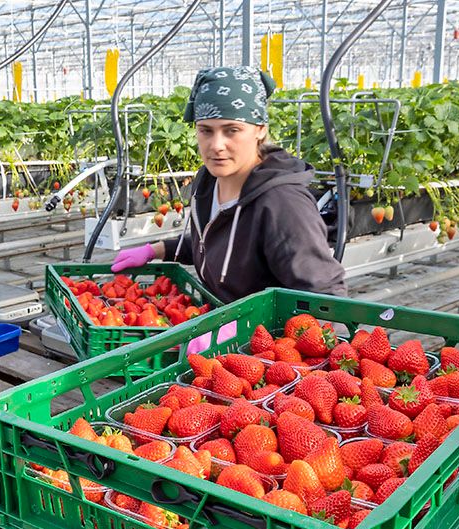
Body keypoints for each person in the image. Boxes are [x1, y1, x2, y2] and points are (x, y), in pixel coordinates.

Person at [112, 66, 346, 350]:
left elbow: (323, 298)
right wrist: (157, 250)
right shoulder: (209, 180)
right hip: (213, 332)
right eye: (206, 131)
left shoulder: (282, 203)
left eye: (232, 130)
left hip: (260, 356)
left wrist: (243, 332)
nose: (216, 145)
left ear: (260, 130)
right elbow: (215, 241)